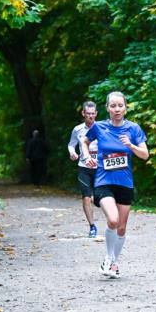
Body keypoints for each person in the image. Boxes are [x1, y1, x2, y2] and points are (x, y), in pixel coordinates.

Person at [79, 91, 149, 278]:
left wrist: (131, 146)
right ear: (107, 108)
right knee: (113, 219)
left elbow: (145, 155)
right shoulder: (99, 127)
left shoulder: (134, 129)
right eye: (113, 106)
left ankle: (113, 263)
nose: (117, 109)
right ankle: (108, 260)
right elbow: (84, 142)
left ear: (125, 107)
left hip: (125, 183)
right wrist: (86, 156)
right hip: (103, 181)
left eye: (120, 105)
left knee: (122, 227)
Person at [67, 101, 99, 237]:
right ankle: (92, 226)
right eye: (88, 114)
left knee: (100, 199)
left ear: (96, 113)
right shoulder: (77, 129)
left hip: (100, 168)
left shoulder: (102, 128)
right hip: (84, 167)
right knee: (86, 198)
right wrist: (72, 152)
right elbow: (71, 145)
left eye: (93, 114)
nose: (91, 116)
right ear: (83, 113)